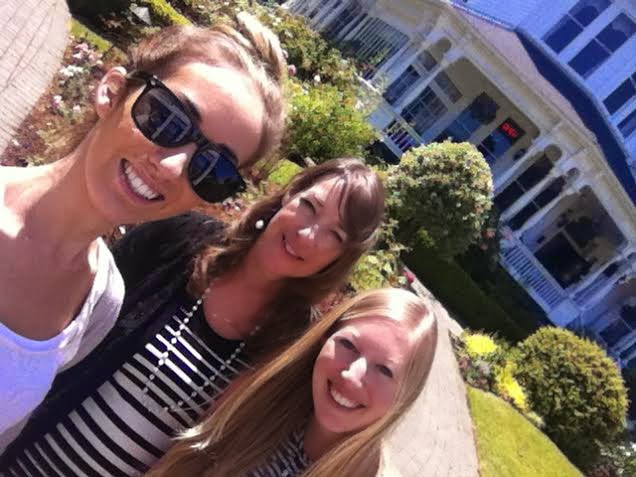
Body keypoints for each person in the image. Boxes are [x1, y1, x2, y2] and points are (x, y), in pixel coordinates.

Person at [0, 12, 287, 444]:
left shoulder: (99, 302)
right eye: (168, 119)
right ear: (112, 91)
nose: (173, 167)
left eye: (212, 169)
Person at [0, 158, 385, 475]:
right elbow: (72, 319)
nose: (308, 234)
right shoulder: (179, 240)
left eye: (335, 235)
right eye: (310, 206)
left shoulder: (293, 346)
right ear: (288, 196)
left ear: (339, 259)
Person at [148, 287, 438, 477]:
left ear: (406, 395)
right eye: (348, 345)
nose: (352, 375)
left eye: (384, 370)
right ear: (325, 338)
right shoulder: (262, 395)